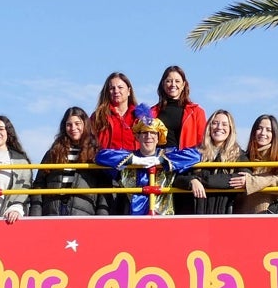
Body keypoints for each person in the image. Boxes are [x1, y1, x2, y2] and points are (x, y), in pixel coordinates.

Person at [96, 105, 200, 216]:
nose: (149, 136)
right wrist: (134, 160)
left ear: (158, 138)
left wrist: (161, 161)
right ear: (138, 137)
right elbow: (100, 156)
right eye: (144, 133)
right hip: (133, 219)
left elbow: (195, 155)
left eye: (153, 133)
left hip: (163, 219)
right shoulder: (128, 157)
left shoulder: (168, 155)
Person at [29, 107, 110, 217]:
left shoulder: (96, 154)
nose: (73, 128)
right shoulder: (53, 152)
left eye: (77, 124)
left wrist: (102, 215)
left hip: (83, 214)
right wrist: (36, 212)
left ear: (85, 125)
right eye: (69, 124)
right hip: (52, 212)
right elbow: (39, 184)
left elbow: (104, 187)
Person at [151, 65, 205, 215]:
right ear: (163, 84)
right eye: (168, 81)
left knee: (183, 213)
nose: (172, 85)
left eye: (177, 81)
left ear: (183, 85)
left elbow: (203, 143)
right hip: (158, 167)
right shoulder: (152, 112)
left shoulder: (196, 112)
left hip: (185, 167)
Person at [233, 114, 278, 214]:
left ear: (274, 134)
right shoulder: (242, 156)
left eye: (268, 130)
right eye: (259, 128)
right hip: (241, 215)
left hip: (267, 214)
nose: (263, 133)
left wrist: (251, 182)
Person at [186, 110, 242, 215]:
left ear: (231, 129)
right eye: (215, 123)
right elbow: (178, 178)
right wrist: (191, 181)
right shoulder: (194, 152)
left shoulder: (239, 155)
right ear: (209, 127)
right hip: (195, 214)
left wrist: (201, 180)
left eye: (224, 124)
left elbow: (241, 177)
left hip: (224, 215)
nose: (219, 127)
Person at [91, 72, 139, 151]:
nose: (116, 91)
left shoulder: (140, 117)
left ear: (129, 91)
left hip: (135, 162)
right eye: (112, 88)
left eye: (120, 87)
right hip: (107, 162)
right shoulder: (98, 117)